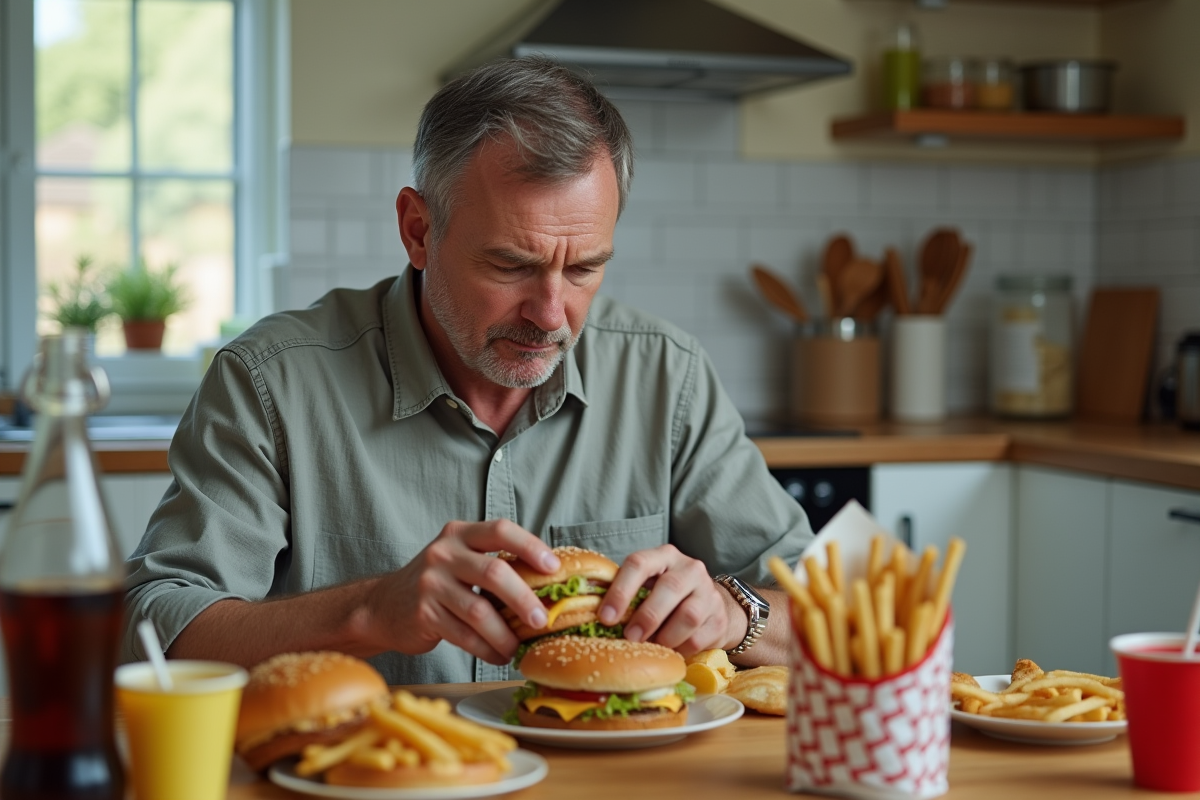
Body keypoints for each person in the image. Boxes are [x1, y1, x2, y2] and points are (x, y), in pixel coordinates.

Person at [122, 57, 813, 684]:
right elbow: (149, 630)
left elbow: (835, 616)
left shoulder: (668, 378)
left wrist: (732, 613)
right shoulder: (271, 384)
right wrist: (367, 610)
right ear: (418, 230)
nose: (550, 314)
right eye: (511, 265)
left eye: (584, 269)